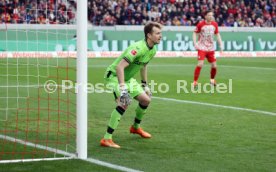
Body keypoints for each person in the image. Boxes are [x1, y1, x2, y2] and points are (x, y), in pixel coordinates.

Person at [100, 22, 162, 148]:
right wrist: (122, 87)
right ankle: (106, 138)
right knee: (124, 102)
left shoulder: (153, 49)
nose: (160, 36)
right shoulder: (138, 48)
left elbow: (143, 65)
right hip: (114, 76)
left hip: (128, 79)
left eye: (160, 33)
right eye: (158, 33)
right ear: (149, 35)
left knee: (145, 100)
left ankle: (135, 127)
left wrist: (145, 85)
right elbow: (119, 67)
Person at [193, 10, 223, 88]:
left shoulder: (215, 24)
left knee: (214, 66)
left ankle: (212, 80)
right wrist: (195, 43)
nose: (211, 16)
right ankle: (195, 81)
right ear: (205, 16)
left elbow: (217, 34)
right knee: (200, 64)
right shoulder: (201, 24)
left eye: (211, 15)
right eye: (209, 15)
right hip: (202, 47)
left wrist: (221, 45)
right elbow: (195, 33)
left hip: (211, 48)